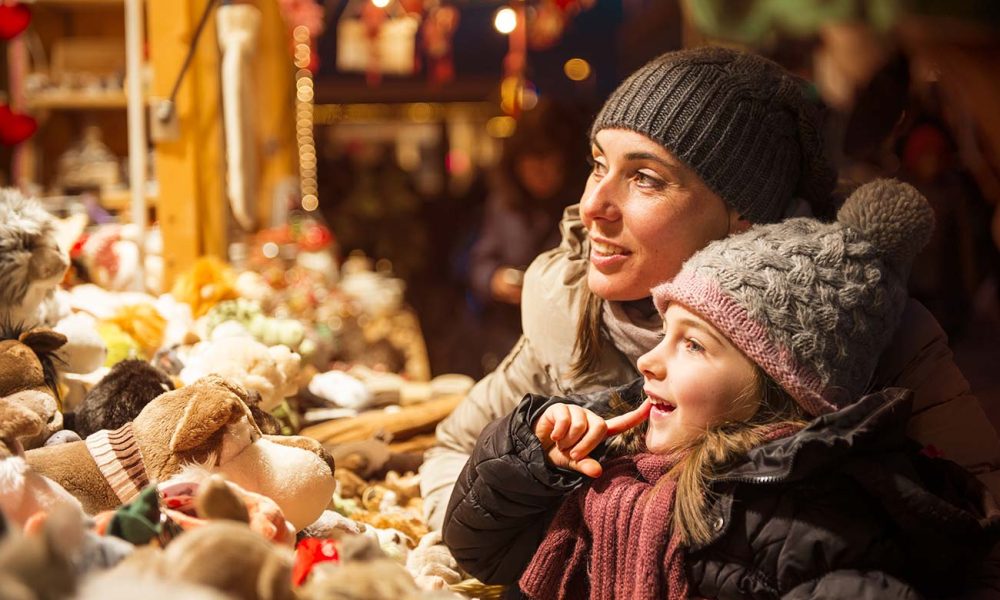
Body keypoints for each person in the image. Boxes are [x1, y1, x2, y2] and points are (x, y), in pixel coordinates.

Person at [420, 46, 1000, 532]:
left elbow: (982, 526)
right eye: (599, 164)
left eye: (645, 178)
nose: (592, 205)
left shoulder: (861, 325)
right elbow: (453, 452)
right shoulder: (570, 310)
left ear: (743, 216)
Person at [444, 180, 1000, 599]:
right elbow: (481, 552)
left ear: (781, 384)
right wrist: (535, 464)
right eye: (666, 333)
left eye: (694, 345)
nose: (650, 360)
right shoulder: (618, 466)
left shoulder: (812, 523)